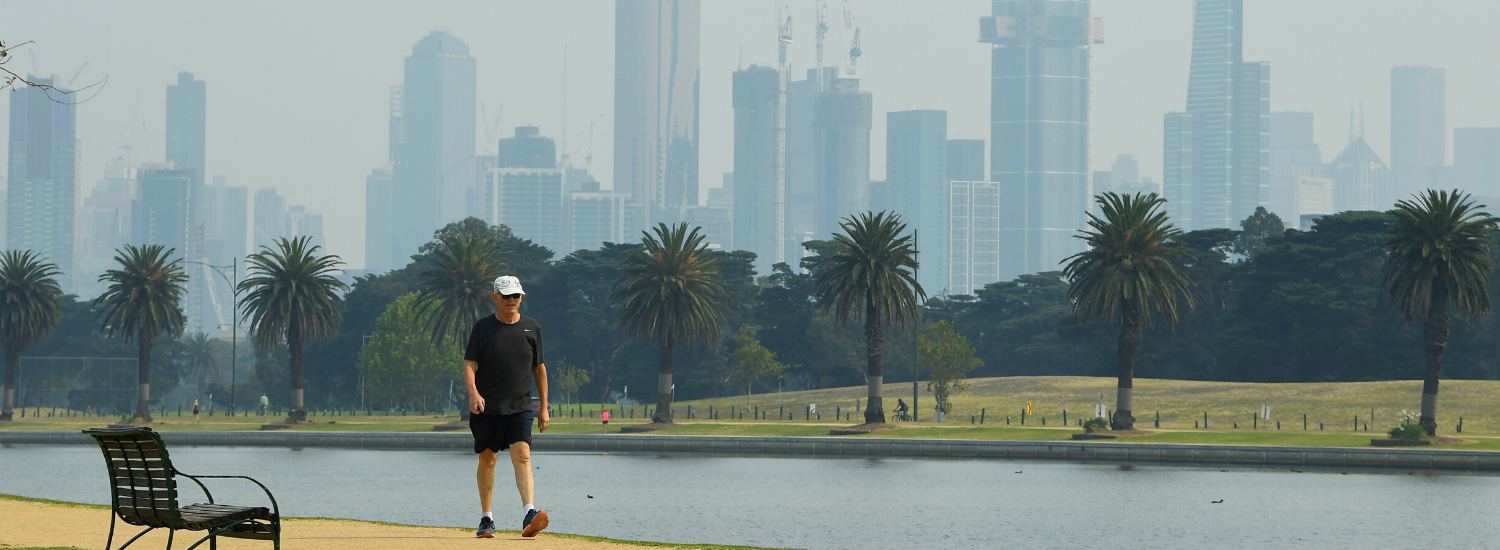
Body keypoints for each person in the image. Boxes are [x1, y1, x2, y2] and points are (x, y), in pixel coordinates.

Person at [465, 275, 551, 539]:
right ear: (496, 298)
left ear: (521, 297)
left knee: (523, 455)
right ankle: (486, 519)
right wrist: (474, 394)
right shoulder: (483, 328)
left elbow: (539, 369)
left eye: (516, 296)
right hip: (487, 408)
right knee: (488, 460)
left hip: (521, 406)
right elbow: (469, 365)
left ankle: (529, 513)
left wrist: (544, 407)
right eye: (507, 296)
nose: (512, 300)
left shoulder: (532, 328)